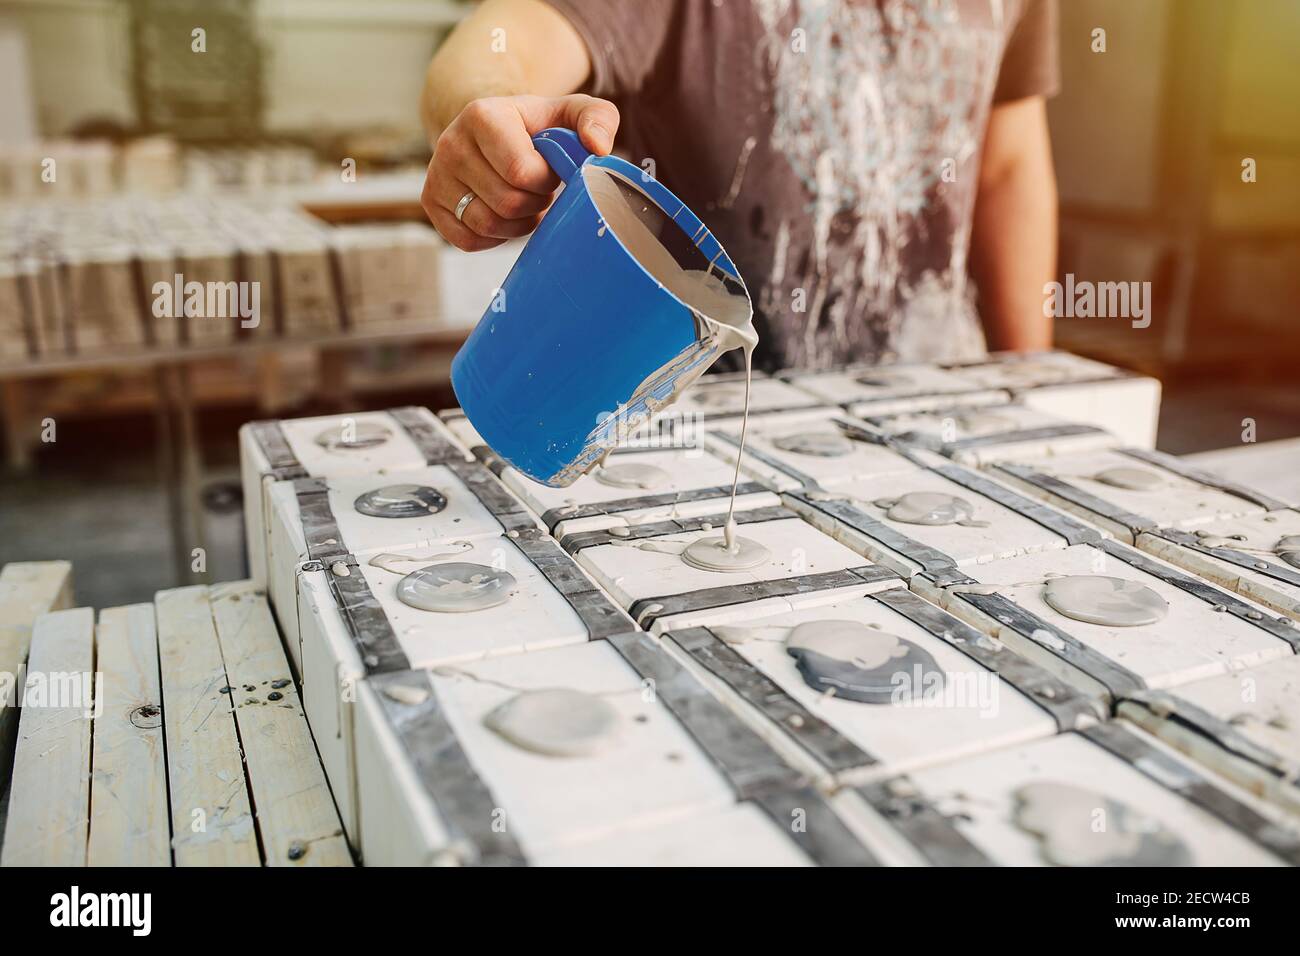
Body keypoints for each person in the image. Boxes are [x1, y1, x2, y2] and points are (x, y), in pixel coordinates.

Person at [420, 0, 1058, 371]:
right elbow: (508, 36)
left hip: (940, 394)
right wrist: (490, 109)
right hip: (705, 424)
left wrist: (1027, 382)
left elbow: (1008, 168)